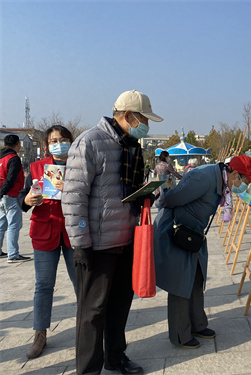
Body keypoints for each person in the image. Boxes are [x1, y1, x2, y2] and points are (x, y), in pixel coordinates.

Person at [62, 90, 163, 375]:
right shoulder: (90, 142)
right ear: (128, 115)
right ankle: (89, 370)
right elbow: (73, 198)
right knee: (92, 313)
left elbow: (123, 192)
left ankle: (116, 358)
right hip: (97, 245)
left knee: (119, 307)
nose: (146, 125)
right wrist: (80, 243)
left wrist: (145, 196)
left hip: (127, 240)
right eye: (143, 119)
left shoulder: (130, 146)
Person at [154, 155, 251, 349]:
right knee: (181, 284)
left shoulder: (221, 180)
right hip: (180, 235)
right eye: (245, 181)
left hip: (194, 237)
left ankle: (197, 325)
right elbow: (172, 198)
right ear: (235, 174)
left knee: (197, 280)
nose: (244, 186)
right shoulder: (205, 178)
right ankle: (181, 335)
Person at [19, 125, 76, 359]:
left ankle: (89, 329)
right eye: (53, 141)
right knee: (43, 286)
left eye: (63, 139)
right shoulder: (36, 167)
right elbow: (23, 199)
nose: (58, 143)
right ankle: (40, 334)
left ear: (71, 142)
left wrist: (71, 189)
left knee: (82, 283)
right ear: (47, 145)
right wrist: (28, 199)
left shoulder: (80, 165)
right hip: (44, 230)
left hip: (74, 231)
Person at [0, 134, 30, 262]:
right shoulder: (13, 159)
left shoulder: (1, 158)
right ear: (17, 145)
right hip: (11, 195)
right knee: (14, 225)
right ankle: (13, 254)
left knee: (1, 224)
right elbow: (11, 178)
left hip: (2, 196)